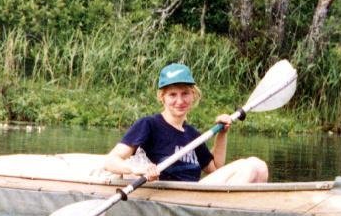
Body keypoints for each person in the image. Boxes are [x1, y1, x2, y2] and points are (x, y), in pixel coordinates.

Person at [104, 62, 268, 184]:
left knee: (258, 166)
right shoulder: (149, 124)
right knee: (251, 167)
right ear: (162, 97)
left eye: (185, 94)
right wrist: (137, 169)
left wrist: (222, 134)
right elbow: (110, 161)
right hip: (170, 197)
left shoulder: (193, 135)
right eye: (172, 95)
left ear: (193, 95)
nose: (179, 101)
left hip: (195, 195)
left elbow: (216, 170)